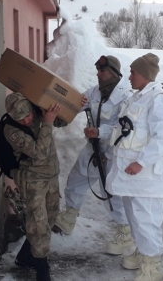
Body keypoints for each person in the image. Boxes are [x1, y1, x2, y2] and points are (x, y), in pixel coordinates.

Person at [105, 53, 163, 281]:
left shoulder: (160, 100)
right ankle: (143, 251)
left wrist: (141, 162)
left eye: (133, 73)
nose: (129, 77)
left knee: (146, 218)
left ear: (145, 75)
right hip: (131, 175)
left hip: (147, 175)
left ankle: (153, 265)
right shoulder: (136, 99)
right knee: (134, 217)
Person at [54, 55, 135, 256]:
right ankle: (68, 218)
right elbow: (76, 104)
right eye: (97, 71)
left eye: (103, 71)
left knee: (111, 192)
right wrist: (61, 113)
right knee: (76, 180)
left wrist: (100, 132)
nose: (99, 75)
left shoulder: (126, 96)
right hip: (93, 148)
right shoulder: (94, 92)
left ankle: (124, 232)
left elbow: (123, 127)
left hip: (114, 152)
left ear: (114, 73)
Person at [4, 93, 65, 281]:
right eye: (20, 118)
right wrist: (47, 122)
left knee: (50, 218)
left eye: (28, 115)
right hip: (33, 180)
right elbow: (39, 153)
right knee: (38, 224)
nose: (26, 120)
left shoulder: (38, 113)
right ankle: (41, 267)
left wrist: (62, 111)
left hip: (51, 176)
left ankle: (25, 256)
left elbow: (62, 123)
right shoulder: (11, 130)